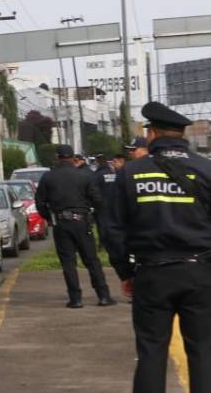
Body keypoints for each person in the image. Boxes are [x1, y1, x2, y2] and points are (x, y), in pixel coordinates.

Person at [104, 102, 211, 393]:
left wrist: (125, 272)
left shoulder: (131, 173)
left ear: (153, 134)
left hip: (151, 275)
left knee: (151, 351)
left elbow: (112, 229)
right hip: (200, 274)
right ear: (181, 135)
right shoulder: (206, 169)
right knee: (203, 351)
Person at [36, 144, 114, 308]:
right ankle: (103, 296)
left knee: (68, 262)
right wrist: (91, 216)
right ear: (73, 158)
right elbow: (97, 200)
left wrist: (49, 218)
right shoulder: (85, 176)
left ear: (57, 157)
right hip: (82, 221)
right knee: (92, 260)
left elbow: (40, 203)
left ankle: (75, 298)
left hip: (61, 222)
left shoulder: (48, 177)